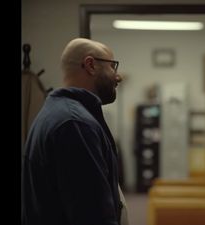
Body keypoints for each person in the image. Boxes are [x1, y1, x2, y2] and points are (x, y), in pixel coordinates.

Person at [21, 38, 129, 225]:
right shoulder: (75, 124)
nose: (118, 76)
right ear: (91, 65)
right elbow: (92, 215)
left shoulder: (59, 112)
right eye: (113, 67)